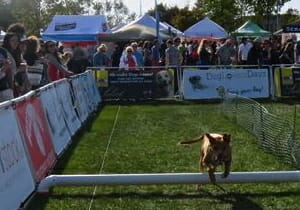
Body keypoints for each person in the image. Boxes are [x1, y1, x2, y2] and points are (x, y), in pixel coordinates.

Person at [2, 32, 31, 96]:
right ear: (7, 41)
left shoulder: (17, 53)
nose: (16, 43)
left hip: (18, 86)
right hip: (6, 87)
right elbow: (4, 73)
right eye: (13, 40)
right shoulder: (3, 54)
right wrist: (19, 69)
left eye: (17, 41)